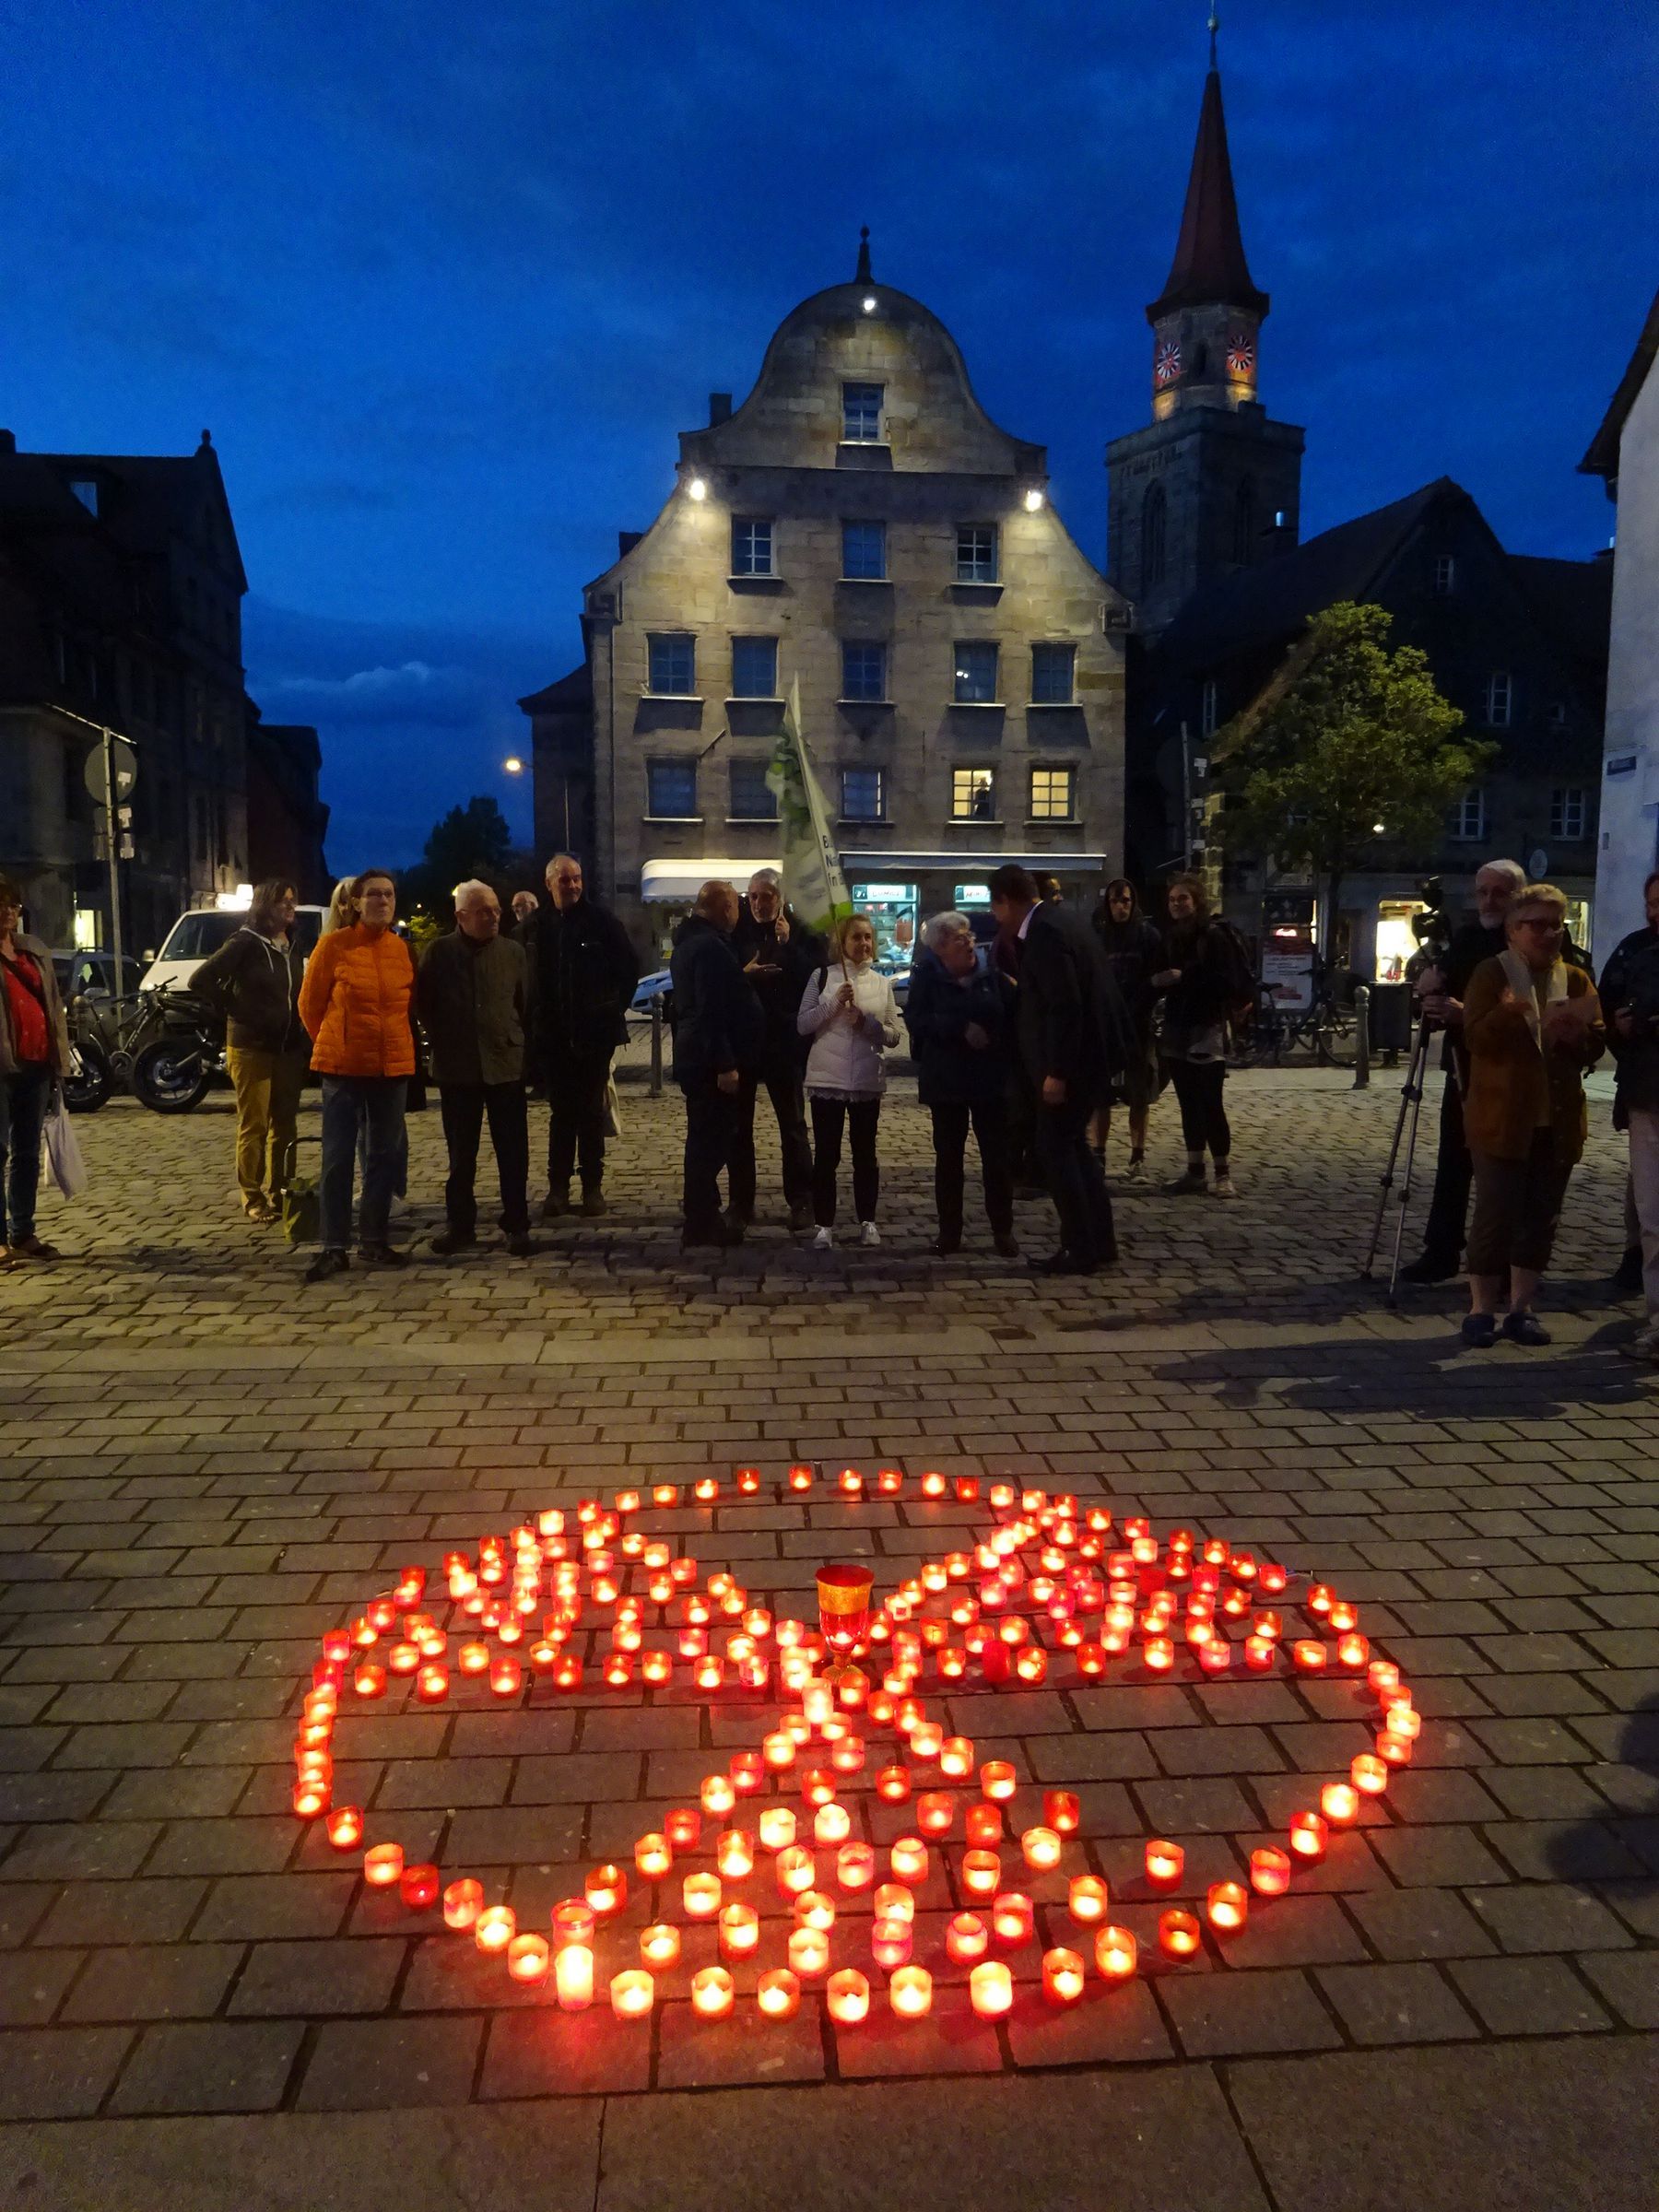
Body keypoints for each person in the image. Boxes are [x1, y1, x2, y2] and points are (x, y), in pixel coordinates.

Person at [1460, 883, 1604, 1347]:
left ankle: (1521, 1309)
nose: (1547, 933)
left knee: (1542, 1217)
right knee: (1496, 1214)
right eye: (1535, 925)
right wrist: (1506, 1014)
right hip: (1502, 1118)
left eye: (1555, 924)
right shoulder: (1492, 973)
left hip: (1556, 1120)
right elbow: (1476, 1040)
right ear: (1513, 931)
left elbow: (1595, 1046)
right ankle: (1481, 1309)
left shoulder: (1576, 978)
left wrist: (1578, 1037)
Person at [988, 864, 1126, 1276]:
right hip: (1091, 1059)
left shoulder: (1046, 932)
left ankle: (1080, 1245)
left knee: (1054, 1149)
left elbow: (1065, 1005)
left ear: (1005, 901)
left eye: (995, 908)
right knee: (1075, 1150)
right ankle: (1100, 1241)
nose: (997, 918)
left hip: (1072, 1065)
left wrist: (1057, 1071)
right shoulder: (1062, 919)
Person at [1398, 860, 1527, 1281]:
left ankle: (1503, 1261)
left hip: (1509, 1071)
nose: (1489, 900)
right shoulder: (1469, 938)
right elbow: (1444, 988)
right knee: (1454, 1159)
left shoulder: (1526, 943)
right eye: (1482, 892)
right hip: (1463, 1066)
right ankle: (1441, 1249)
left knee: (1503, 1168)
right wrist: (1429, 992)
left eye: (1499, 892)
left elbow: (1525, 1010)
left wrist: (1461, 1012)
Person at [297, 867, 416, 1281]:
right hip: (343, 1068)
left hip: (391, 1067)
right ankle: (333, 1246)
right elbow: (309, 1006)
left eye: (389, 894)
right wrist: (335, 1040)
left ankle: (374, 1240)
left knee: (384, 1156)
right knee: (337, 1158)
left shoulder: (399, 950)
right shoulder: (334, 946)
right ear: (356, 903)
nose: (383, 901)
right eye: (374, 895)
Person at [416, 879, 533, 1259]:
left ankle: (517, 1224)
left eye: (496, 909)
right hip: (458, 1068)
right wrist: (446, 1039)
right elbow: (424, 1005)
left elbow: (523, 1003)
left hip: (504, 1064)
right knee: (460, 1154)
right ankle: (460, 1226)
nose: (494, 916)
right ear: (461, 916)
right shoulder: (438, 953)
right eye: (484, 911)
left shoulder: (513, 952)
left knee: (513, 1152)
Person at [190, 878, 311, 1225]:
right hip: (251, 1046)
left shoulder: (292, 943)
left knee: (285, 1124)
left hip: (287, 1047)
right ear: (264, 907)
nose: (289, 907)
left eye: (292, 900)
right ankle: (253, 1196)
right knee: (254, 1124)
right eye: (282, 902)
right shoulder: (245, 942)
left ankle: (283, 1192)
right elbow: (202, 979)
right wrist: (239, 1007)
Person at [526, 853, 639, 1219]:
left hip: (594, 1037)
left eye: (576, 878)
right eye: (564, 879)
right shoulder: (534, 927)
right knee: (561, 1115)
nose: (572, 885)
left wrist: (610, 1010)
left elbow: (628, 970)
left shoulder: (602, 922)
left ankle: (592, 1188)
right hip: (552, 1039)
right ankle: (558, 1188)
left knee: (591, 1114)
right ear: (549, 884)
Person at [904, 910, 1019, 1258]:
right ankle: (949, 1231)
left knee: (996, 1159)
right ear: (940, 947)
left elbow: (1012, 1015)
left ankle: (1003, 1230)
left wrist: (995, 1038)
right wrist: (958, 1028)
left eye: (969, 935)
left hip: (989, 1079)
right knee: (949, 1159)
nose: (969, 942)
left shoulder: (991, 975)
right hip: (947, 1081)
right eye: (960, 937)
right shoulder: (926, 977)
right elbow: (917, 1021)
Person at [797, 912, 902, 1250]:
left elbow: (893, 1036)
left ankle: (867, 1221)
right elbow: (803, 1024)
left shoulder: (882, 984)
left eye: (868, 937)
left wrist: (867, 1025)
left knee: (865, 1156)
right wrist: (833, 1004)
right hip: (828, 1080)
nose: (864, 943)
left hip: (865, 1081)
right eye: (856, 937)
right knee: (827, 1156)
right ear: (841, 943)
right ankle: (824, 1224)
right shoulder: (821, 977)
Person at [669, 880, 765, 1249]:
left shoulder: (691, 943)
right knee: (712, 1143)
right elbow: (711, 1010)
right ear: (725, 907)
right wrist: (726, 1063)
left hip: (698, 1058)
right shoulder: (709, 946)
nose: (739, 911)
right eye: (737, 904)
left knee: (704, 1139)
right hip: (711, 1063)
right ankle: (701, 1220)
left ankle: (703, 1214)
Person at [729, 868, 818, 1232]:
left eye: (766, 896)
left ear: (780, 898)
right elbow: (724, 975)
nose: (759, 904)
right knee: (738, 1128)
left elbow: (814, 976)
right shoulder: (737, 930)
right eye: (752, 896)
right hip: (746, 1041)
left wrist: (788, 945)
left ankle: (801, 1201)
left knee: (793, 1126)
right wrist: (744, 973)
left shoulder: (798, 929)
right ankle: (740, 1203)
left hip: (783, 1042)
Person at [1598, 869, 1659, 1360]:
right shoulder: (1634, 950)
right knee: (1653, 1214)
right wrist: (1617, 1028)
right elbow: (1607, 1009)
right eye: (1653, 902)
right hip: (1647, 1092)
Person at [0, 875, 71, 1268]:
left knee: (26, 1153)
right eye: (2, 906)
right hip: (1, 1065)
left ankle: (22, 1232)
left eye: (13, 906)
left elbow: (53, 1006)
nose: (9, 912)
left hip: (36, 1062)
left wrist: (59, 1057)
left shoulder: (32, 953)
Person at [1153, 874, 1239, 1197]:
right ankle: (1194, 1171)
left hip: (1206, 1027)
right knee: (1188, 1103)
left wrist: (1182, 977)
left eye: (1183, 899)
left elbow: (1224, 983)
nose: (1177, 904)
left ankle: (1223, 1174)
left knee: (1211, 1102)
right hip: (1177, 1027)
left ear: (1196, 901)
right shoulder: (1171, 937)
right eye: (1173, 900)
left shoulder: (1213, 937)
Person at [1090, 878, 1161, 1176]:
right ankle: (1099, 1154)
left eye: (1126, 901)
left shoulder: (1147, 936)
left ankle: (1138, 1156)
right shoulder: (1098, 936)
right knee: (1100, 1095)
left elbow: (1156, 979)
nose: (1121, 907)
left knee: (1138, 1093)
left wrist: (1143, 1003)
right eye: (1116, 901)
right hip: (1105, 1026)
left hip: (1138, 1026)